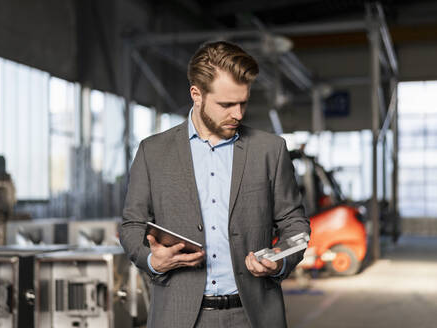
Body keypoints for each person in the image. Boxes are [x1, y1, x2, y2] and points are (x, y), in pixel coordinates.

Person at [120, 41, 310, 328]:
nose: (238, 114)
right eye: (226, 104)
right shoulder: (153, 152)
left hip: (253, 315)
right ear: (197, 94)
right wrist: (150, 260)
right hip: (178, 315)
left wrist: (279, 259)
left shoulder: (270, 150)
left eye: (243, 102)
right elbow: (132, 224)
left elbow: (295, 226)